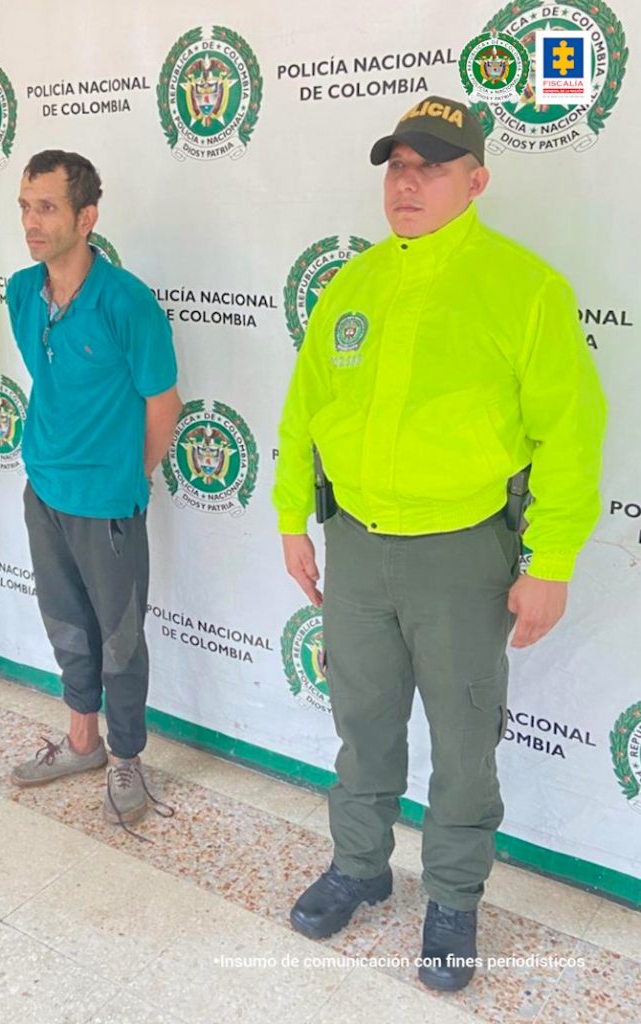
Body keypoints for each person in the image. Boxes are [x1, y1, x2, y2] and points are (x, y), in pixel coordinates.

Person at [273, 96, 605, 991]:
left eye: (431, 166)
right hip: (356, 548)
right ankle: (359, 864)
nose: (407, 181)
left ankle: (452, 896)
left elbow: (569, 436)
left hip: (460, 556)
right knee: (361, 723)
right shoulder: (354, 282)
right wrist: (289, 516)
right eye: (396, 165)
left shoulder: (523, 287)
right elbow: (306, 408)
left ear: (477, 180)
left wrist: (552, 561)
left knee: (461, 741)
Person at [5, 150, 181, 831]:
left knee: (119, 640)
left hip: (106, 504)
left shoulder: (127, 302)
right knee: (66, 627)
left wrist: (126, 478)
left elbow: (162, 406)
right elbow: (50, 380)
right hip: (43, 489)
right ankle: (82, 742)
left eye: (46, 207)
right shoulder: (22, 291)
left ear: (87, 216)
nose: (31, 221)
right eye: (24, 206)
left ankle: (127, 760)